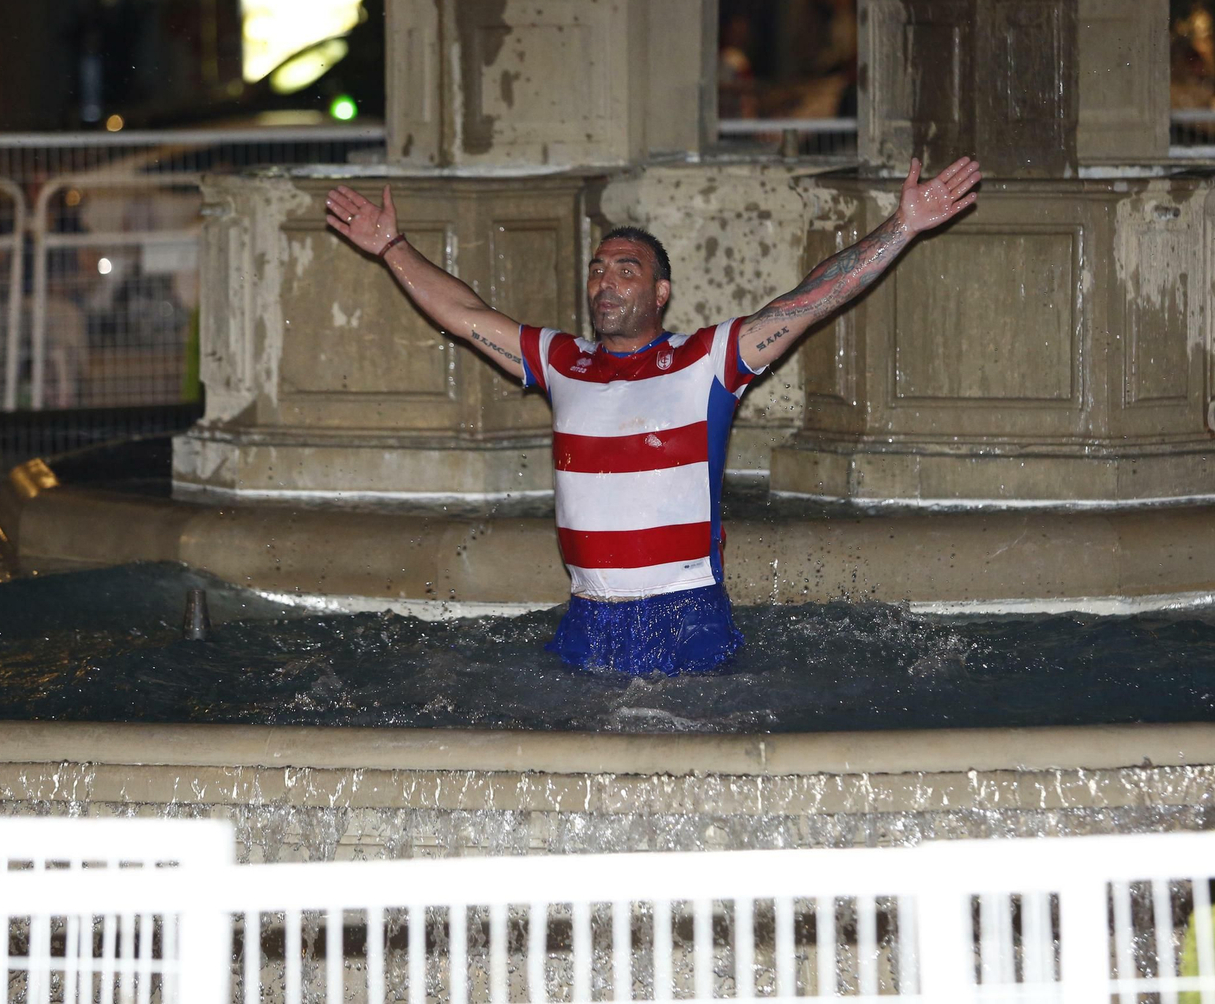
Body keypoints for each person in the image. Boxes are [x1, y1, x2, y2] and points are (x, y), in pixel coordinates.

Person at [325, 156, 980, 674]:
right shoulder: (561, 361)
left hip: (685, 610)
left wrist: (902, 227)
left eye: (625, 270)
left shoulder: (706, 361)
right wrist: (392, 249)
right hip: (588, 615)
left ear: (660, 292)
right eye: (597, 269)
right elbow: (467, 318)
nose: (604, 283)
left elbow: (807, 302)